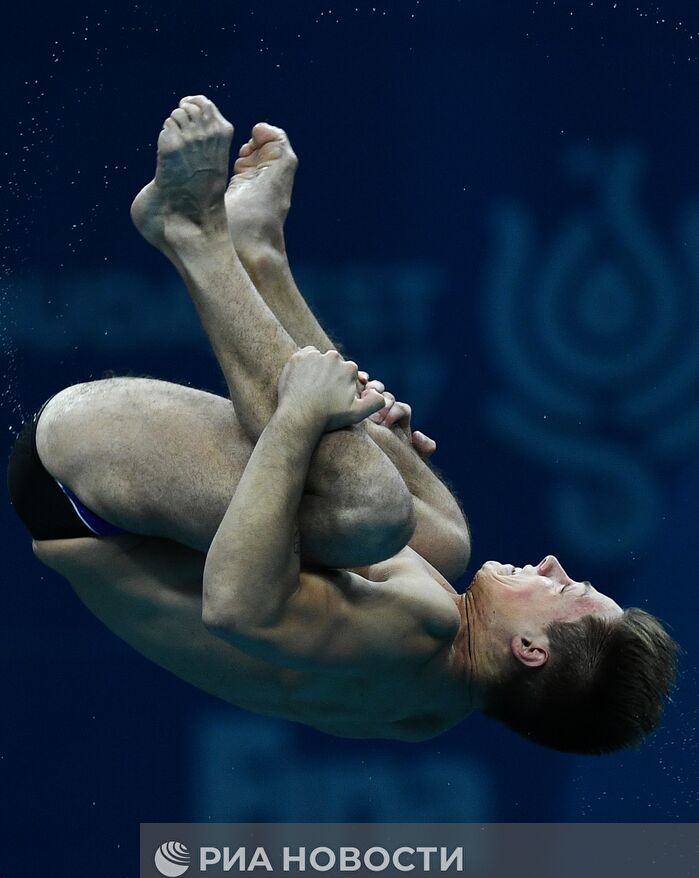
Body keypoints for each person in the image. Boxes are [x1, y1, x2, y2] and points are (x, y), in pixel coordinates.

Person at [6, 96, 678, 752]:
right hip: (94, 504)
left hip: (86, 476)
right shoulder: (433, 707)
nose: (553, 564)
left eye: (563, 589)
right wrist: (369, 438)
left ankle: (191, 231)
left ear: (530, 649)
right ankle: (260, 256)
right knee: (438, 534)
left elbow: (236, 606)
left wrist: (305, 422)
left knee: (372, 510)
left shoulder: (419, 629)